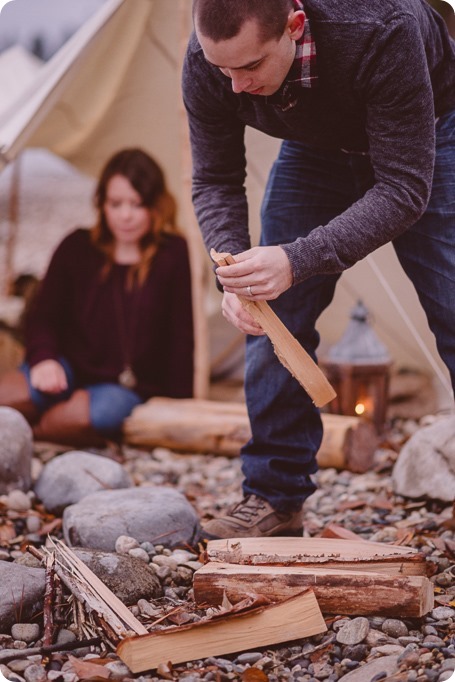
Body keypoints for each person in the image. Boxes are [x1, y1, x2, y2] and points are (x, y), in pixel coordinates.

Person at [182, 0, 455, 538]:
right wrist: (231, 266)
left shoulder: (383, 27)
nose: (234, 85)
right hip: (317, 147)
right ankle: (275, 497)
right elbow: (213, 179)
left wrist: (296, 258)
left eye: (250, 67)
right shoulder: (210, 58)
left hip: (431, 132)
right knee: (271, 309)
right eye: (223, 70)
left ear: (295, 26)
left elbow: (403, 189)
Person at [0, 148, 194, 446]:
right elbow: (43, 317)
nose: (125, 215)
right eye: (116, 204)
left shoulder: (173, 254)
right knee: (13, 397)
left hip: (124, 385)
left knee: (87, 418)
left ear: (156, 206)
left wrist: (180, 406)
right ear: (102, 203)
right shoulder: (77, 247)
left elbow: (181, 335)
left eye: (137, 204)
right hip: (64, 366)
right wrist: (44, 359)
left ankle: (30, 437)